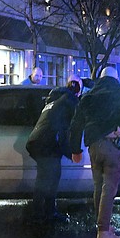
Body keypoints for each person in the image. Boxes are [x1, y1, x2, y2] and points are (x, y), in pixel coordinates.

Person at [70, 66, 120, 238]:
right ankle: (103, 233)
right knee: (109, 189)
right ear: (116, 78)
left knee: (98, 187)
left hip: (93, 145)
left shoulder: (88, 96)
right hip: (112, 145)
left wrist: (75, 149)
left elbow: (76, 124)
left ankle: (103, 226)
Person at [26, 78, 82, 222]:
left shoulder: (54, 100)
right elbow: (65, 132)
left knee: (47, 177)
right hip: (46, 144)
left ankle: (44, 212)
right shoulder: (69, 101)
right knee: (48, 179)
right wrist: (72, 153)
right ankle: (42, 214)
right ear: (77, 92)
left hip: (37, 142)